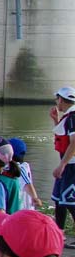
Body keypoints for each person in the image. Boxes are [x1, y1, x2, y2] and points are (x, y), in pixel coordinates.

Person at [51, 86, 75, 234]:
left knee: (69, 201)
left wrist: (62, 165)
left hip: (71, 166)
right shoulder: (68, 117)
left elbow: (74, 142)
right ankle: (59, 233)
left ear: (61, 99)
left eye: (57, 98)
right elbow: (63, 138)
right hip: (66, 165)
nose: (56, 102)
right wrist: (56, 120)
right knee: (59, 199)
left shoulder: (73, 117)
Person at [9, 137, 42, 211]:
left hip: (24, 210)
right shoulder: (22, 167)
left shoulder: (19, 169)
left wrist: (35, 198)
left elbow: (28, 184)